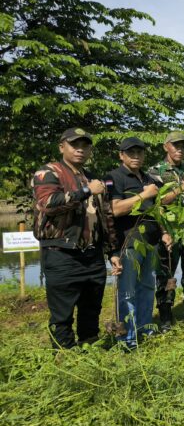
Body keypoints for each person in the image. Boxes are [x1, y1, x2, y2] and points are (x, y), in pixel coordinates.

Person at [32, 128, 122, 349]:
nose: (80, 150)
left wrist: (112, 251)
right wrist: (86, 191)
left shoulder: (93, 178)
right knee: (62, 312)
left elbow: (106, 217)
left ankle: (89, 348)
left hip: (92, 255)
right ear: (61, 147)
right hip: (61, 253)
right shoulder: (48, 172)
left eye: (85, 146)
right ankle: (64, 355)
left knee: (92, 308)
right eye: (74, 145)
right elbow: (48, 204)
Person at [106, 137, 172, 349]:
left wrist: (164, 232)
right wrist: (144, 195)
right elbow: (115, 209)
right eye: (131, 152)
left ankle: (145, 329)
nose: (136, 156)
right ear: (121, 155)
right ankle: (128, 338)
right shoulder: (114, 177)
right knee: (127, 291)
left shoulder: (148, 178)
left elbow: (156, 209)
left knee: (147, 287)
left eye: (139, 152)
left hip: (150, 242)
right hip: (129, 242)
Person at [148, 131, 184, 330]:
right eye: (176, 145)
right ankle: (165, 314)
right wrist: (182, 187)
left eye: (183, 146)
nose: (180, 150)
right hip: (168, 231)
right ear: (166, 147)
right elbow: (156, 202)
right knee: (166, 273)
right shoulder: (156, 171)